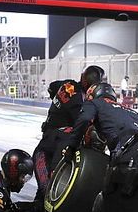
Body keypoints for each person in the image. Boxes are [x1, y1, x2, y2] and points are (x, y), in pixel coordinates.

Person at [33, 65, 104, 199]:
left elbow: (52, 86)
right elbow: (82, 122)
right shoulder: (78, 101)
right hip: (56, 139)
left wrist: (57, 104)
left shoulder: (68, 84)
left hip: (50, 134)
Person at [64, 81, 138, 156]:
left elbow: (85, 119)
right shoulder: (133, 112)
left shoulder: (94, 103)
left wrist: (72, 146)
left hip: (124, 148)